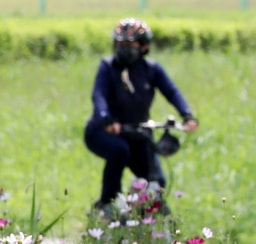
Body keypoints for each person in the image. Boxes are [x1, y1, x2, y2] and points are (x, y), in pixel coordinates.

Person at [84, 19, 198, 219]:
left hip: (138, 133)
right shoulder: (108, 67)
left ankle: (143, 219)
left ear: (144, 47)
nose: (124, 49)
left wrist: (186, 114)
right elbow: (98, 96)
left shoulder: (151, 70)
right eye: (120, 45)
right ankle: (107, 204)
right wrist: (107, 120)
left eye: (129, 45)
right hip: (102, 131)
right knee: (119, 151)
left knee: (157, 180)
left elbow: (172, 92)